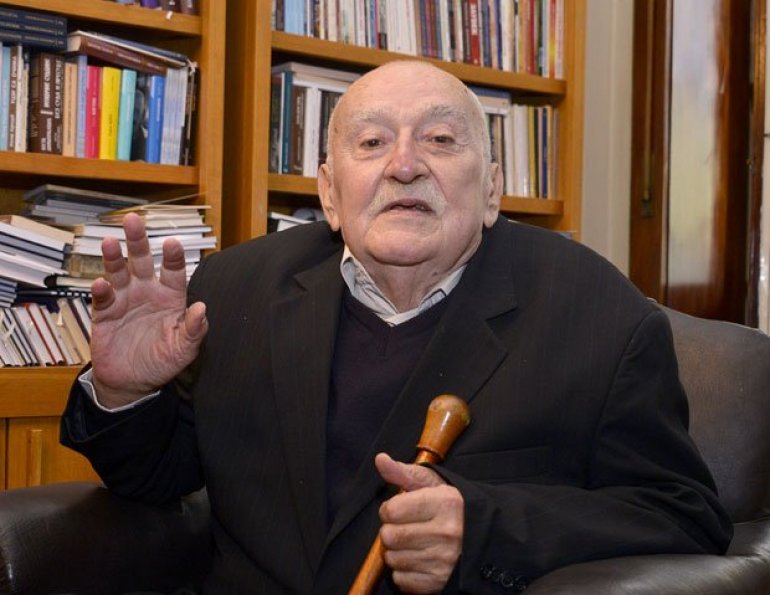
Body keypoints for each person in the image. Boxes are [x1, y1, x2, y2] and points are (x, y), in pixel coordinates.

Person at [61, 60, 732, 594]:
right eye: (372, 142)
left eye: (440, 140)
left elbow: (683, 515)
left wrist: (482, 527)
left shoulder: (598, 315)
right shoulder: (234, 291)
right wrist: (124, 393)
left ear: (492, 190)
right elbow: (159, 481)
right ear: (329, 194)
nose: (405, 164)